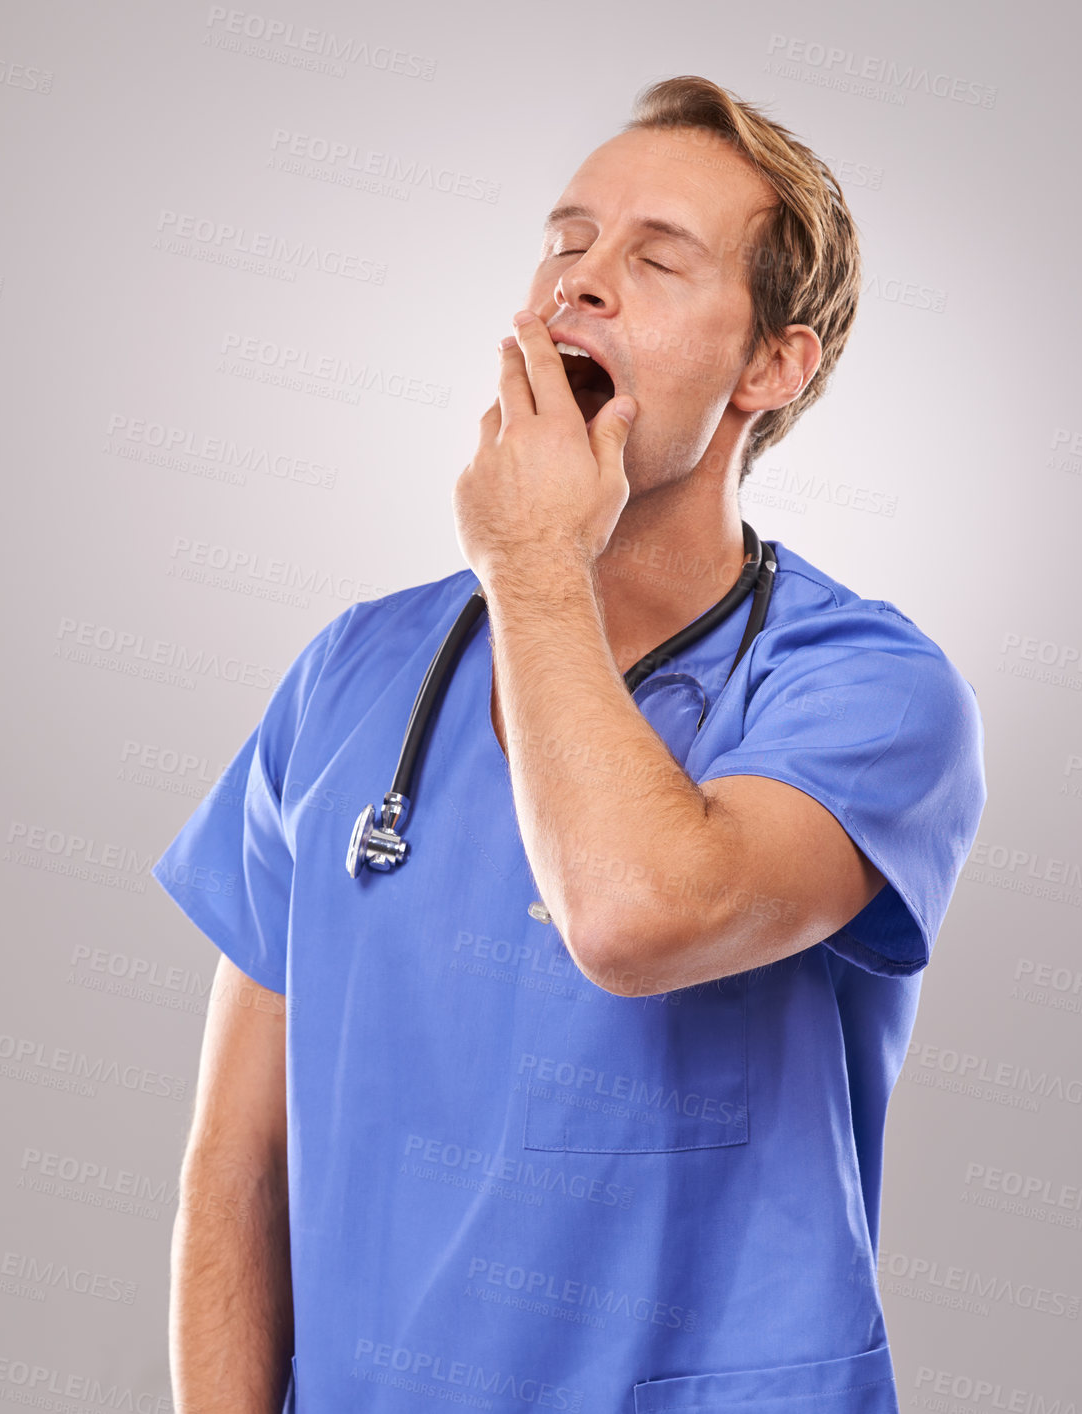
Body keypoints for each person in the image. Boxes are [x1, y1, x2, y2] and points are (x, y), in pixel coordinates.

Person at [153, 74, 987, 1414]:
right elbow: (235, 1164)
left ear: (770, 367)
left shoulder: (866, 690)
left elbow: (634, 915)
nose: (579, 284)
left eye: (655, 261)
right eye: (565, 242)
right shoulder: (352, 674)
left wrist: (533, 561)